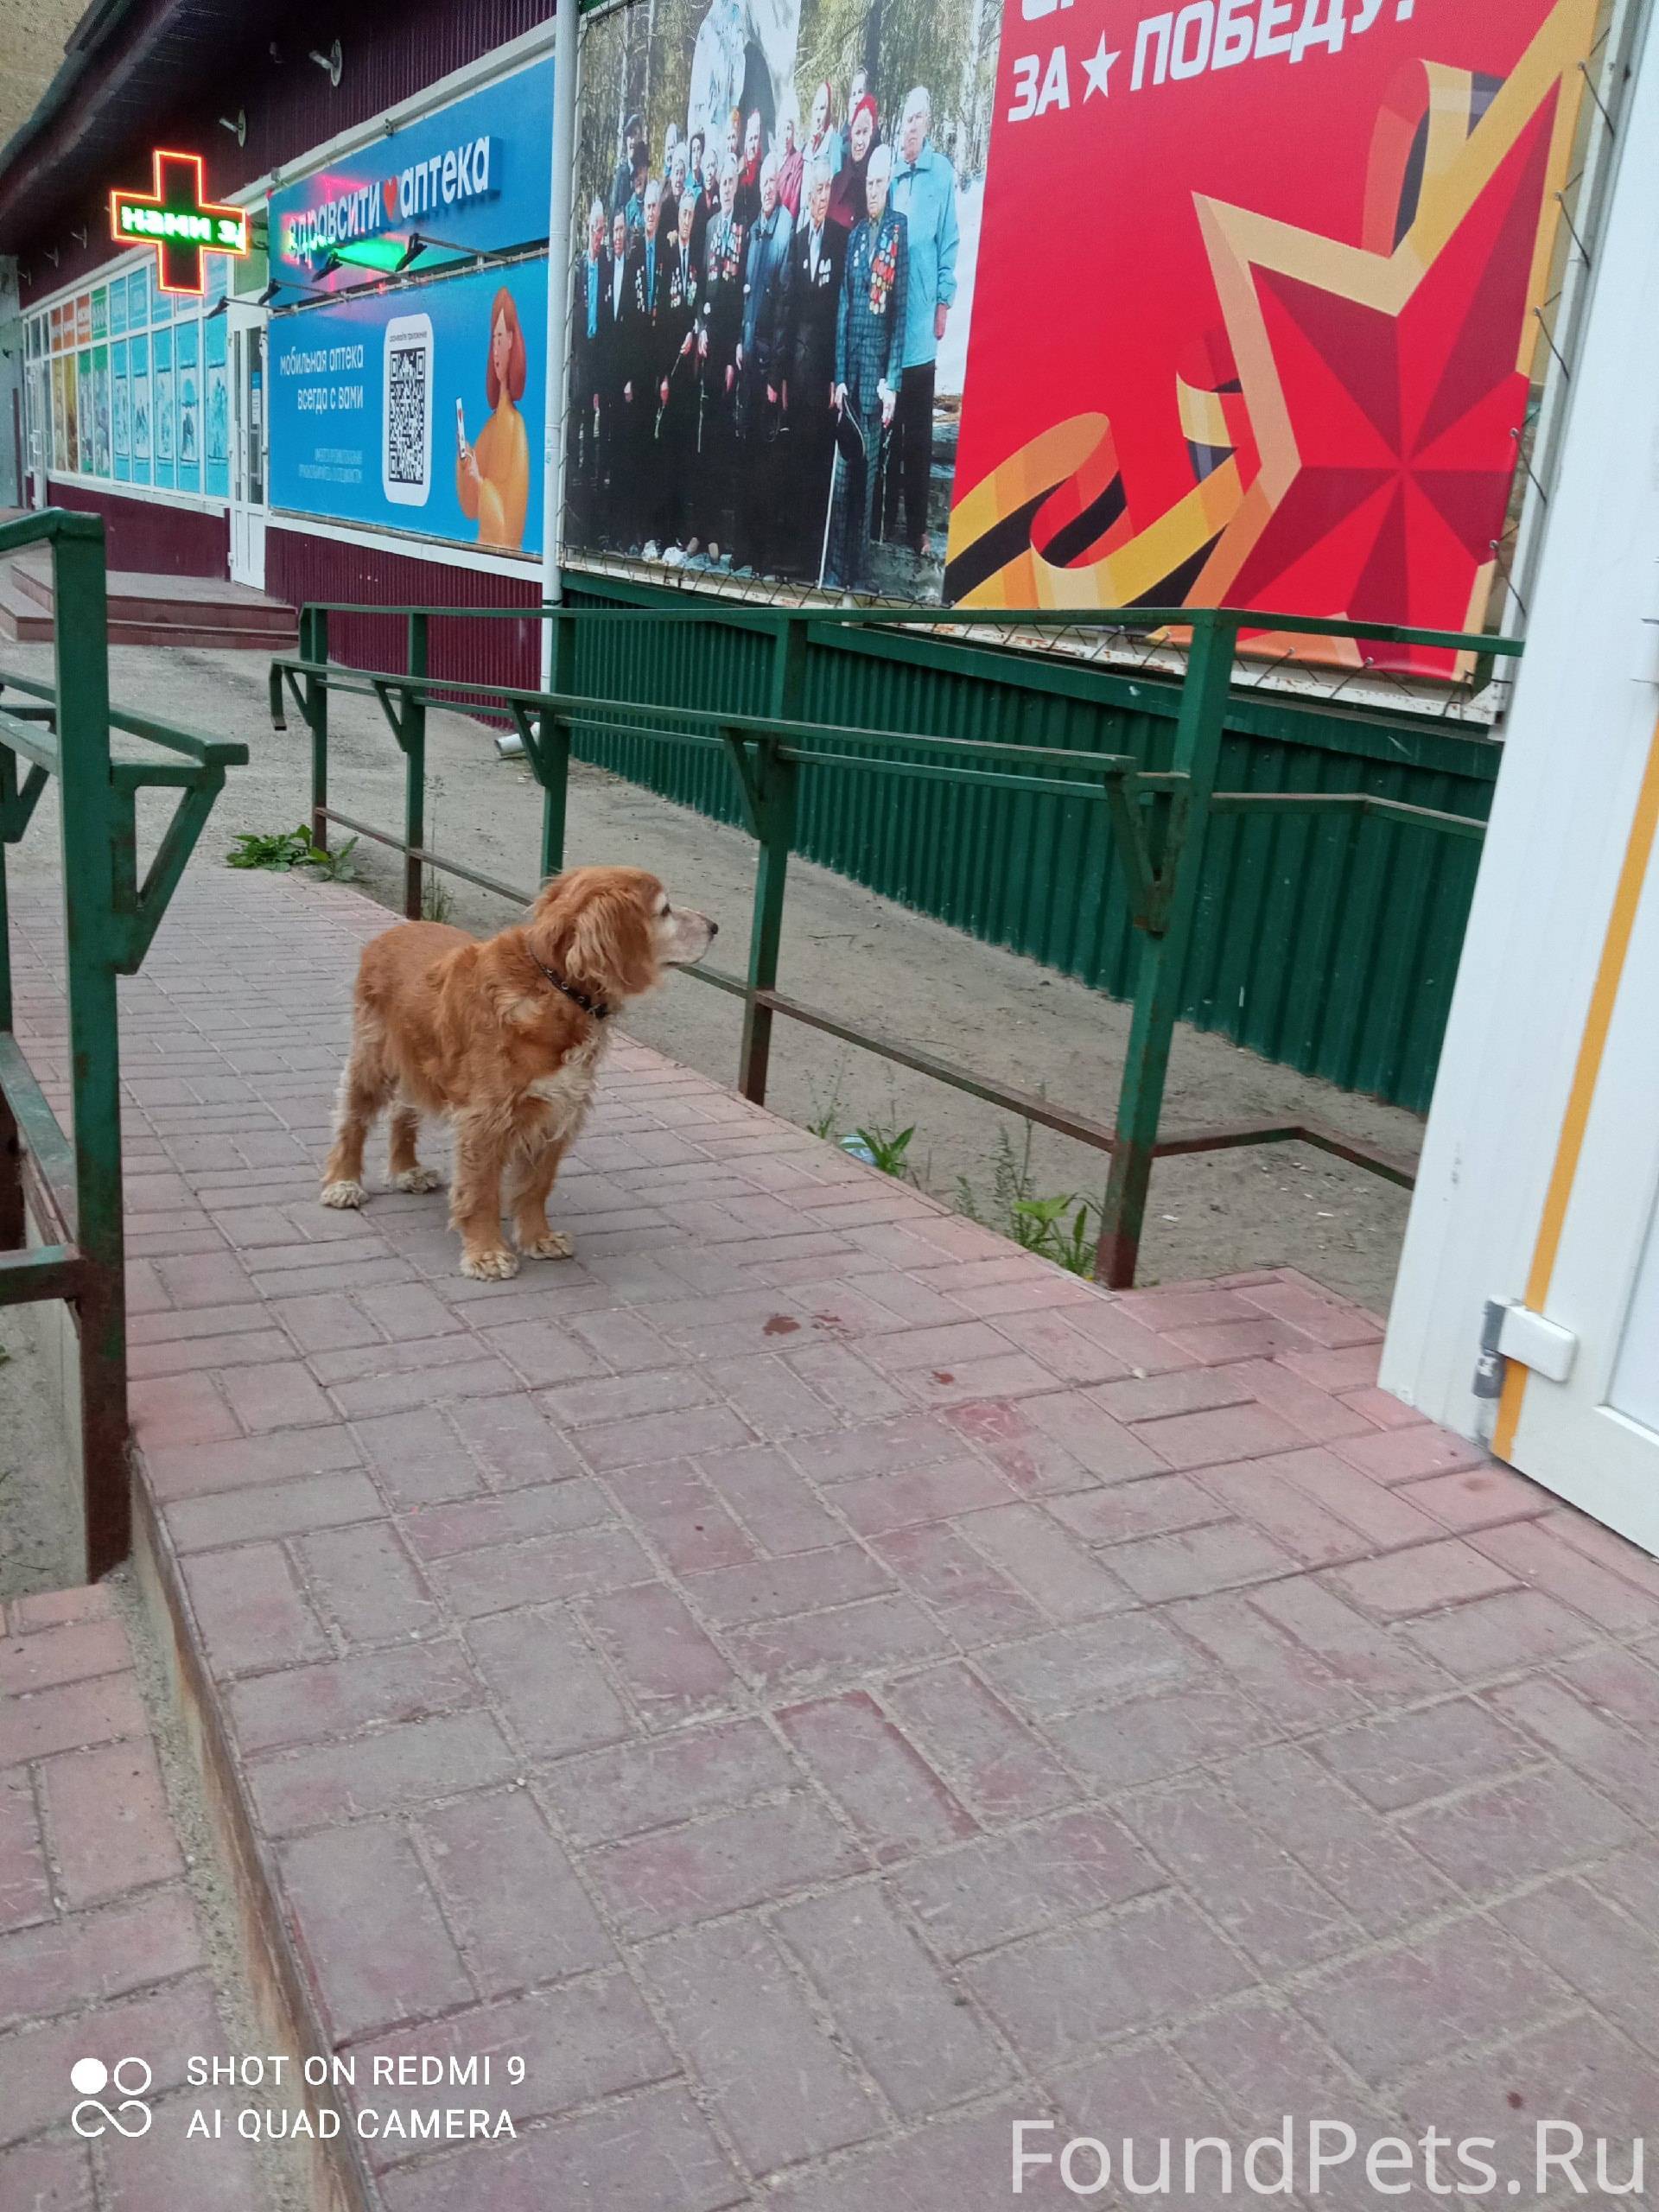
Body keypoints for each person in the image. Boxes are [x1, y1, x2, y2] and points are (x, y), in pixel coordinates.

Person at [880, 86, 958, 560]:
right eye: (905, 119)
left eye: (916, 119)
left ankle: (917, 530)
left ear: (926, 123)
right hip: (892, 325)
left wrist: (943, 301)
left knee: (918, 434)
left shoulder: (941, 174)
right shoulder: (891, 176)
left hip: (922, 326)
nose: (910, 127)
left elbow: (948, 241)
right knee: (889, 429)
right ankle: (884, 521)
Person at [830, 143, 906, 591]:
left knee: (867, 476)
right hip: (851, 377)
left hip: (877, 378)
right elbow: (844, 307)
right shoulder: (856, 235)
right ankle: (836, 568)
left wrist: (892, 381)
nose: (873, 190)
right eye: (869, 183)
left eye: (879, 182)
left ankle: (858, 573)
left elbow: (898, 314)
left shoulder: (899, 230)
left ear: (888, 182)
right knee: (843, 477)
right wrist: (839, 376)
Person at [783, 156, 845, 576]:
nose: (821, 197)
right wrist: (784, 375)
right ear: (806, 196)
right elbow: (788, 310)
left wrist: (837, 377)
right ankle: (793, 555)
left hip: (824, 376)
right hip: (798, 374)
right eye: (815, 190)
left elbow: (840, 313)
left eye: (826, 190)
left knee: (819, 464)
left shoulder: (840, 239)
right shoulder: (798, 240)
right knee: (796, 463)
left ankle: (813, 561)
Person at [734, 151, 792, 575]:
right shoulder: (754, 230)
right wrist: (740, 339)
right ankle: (743, 548)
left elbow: (785, 309)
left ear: (780, 186)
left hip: (769, 368)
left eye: (774, 183)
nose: (768, 189)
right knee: (745, 456)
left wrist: (775, 375)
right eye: (764, 183)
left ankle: (763, 554)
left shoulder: (785, 231)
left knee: (766, 467)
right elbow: (747, 295)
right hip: (748, 362)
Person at [695, 153, 747, 561]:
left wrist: (731, 357)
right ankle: (698, 530)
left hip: (727, 356)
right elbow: (701, 291)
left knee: (718, 445)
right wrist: (699, 328)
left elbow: (740, 301)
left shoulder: (743, 229)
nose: (726, 188)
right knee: (700, 442)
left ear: (738, 185)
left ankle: (716, 535)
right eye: (722, 182)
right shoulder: (710, 225)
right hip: (705, 350)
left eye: (732, 182)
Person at [458, 285, 532, 550]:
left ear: (512, 340)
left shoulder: (516, 427)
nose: (496, 349)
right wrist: (467, 466)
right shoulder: (492, 426)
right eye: (494, 339)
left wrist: (480, 482)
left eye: (501, 337)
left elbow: (509, 527)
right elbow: (470, 508)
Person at [622, 179, 671, 553]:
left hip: (660, 363)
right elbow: (625, 319)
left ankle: (656, 527)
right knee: (635, 446)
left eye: (656, 206)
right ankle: (634, 527)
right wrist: (627, 376)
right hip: (636, 366)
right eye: (648, 207)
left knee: (658, 448)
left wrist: (665, 372)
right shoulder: (635, 255)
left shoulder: (667, 254)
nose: (652, 212)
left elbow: (669, 316)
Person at [658, 190, 704, 560]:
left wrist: (695, 329)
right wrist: (663, 375)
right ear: (676, 219)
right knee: (667, 455)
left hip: (691, 376)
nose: (686, 220)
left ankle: (684, 530)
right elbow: (660, 320)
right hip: (670, 374)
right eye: (683, 214)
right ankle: (664, 528)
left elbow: (700, 305)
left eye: (691, 214)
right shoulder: (668, 258)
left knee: (688, 455)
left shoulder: (697, 260)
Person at [569, 196, 609, 540]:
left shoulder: (608, 267)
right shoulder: (578, 268)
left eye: (602, 230)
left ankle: (593, 516)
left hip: (600, 363)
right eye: (595, 229)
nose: (599, 236)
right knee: (575, 438)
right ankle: (573, 514)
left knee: (595, 443)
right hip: (578, 366)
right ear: (587, 230)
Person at [598, 207, 631, 542]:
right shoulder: (604, 271)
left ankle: (621, 525)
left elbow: (636, 329)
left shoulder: (634, 269)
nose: (618, 236)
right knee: (603, 452)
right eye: (615, 231)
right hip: (605, 378)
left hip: (625, 381)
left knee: (622, 452)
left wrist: (629, 377)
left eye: (622, 230)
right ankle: (602, 526)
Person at [827, 94, 876, 232]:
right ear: (851, 135)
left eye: (865, 132)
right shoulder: (837, 182)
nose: (860, 141)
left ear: (872, 135)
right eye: (857, 132)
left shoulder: (875, 184)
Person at [611, 113, 645, 218]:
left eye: (635, 134)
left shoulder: (644, 173)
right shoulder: (621, 173)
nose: (632, 140)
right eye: (629, 135)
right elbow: (614, 209)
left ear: (641, 138)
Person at [734, 109, 765, 231]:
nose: (752, 145)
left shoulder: (764, 173)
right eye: (750, 139)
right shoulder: (739, 175)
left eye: (756, 138)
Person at [774, 105, 803, 221]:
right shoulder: (773, 160)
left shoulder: (797, 160)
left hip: (785, 222)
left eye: (789, 129)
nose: (786, 136)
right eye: (783, 129)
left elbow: (794, 200)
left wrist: (787, 225)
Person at [662, 143, 689, 245]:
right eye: (676, 173)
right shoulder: (665, 205)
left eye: (681, 173)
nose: (678, 179)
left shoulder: (688, 203)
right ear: (672, 176)